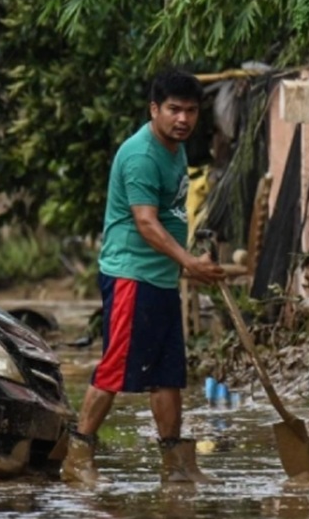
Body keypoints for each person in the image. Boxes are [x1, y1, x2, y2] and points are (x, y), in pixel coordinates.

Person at [62, 69, 227, 485]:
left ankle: (177, 465)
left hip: (161, 279)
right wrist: (189, 263)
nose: (183, 119)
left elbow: (170, 217)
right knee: (114, 370)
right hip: (131, 278)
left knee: (168, 376)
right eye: (174, 109)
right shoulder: (141, 155)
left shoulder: (176, 149)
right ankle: (77, 457)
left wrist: (187, 262)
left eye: (190, 111)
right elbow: (146, 223)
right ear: (155, 109)